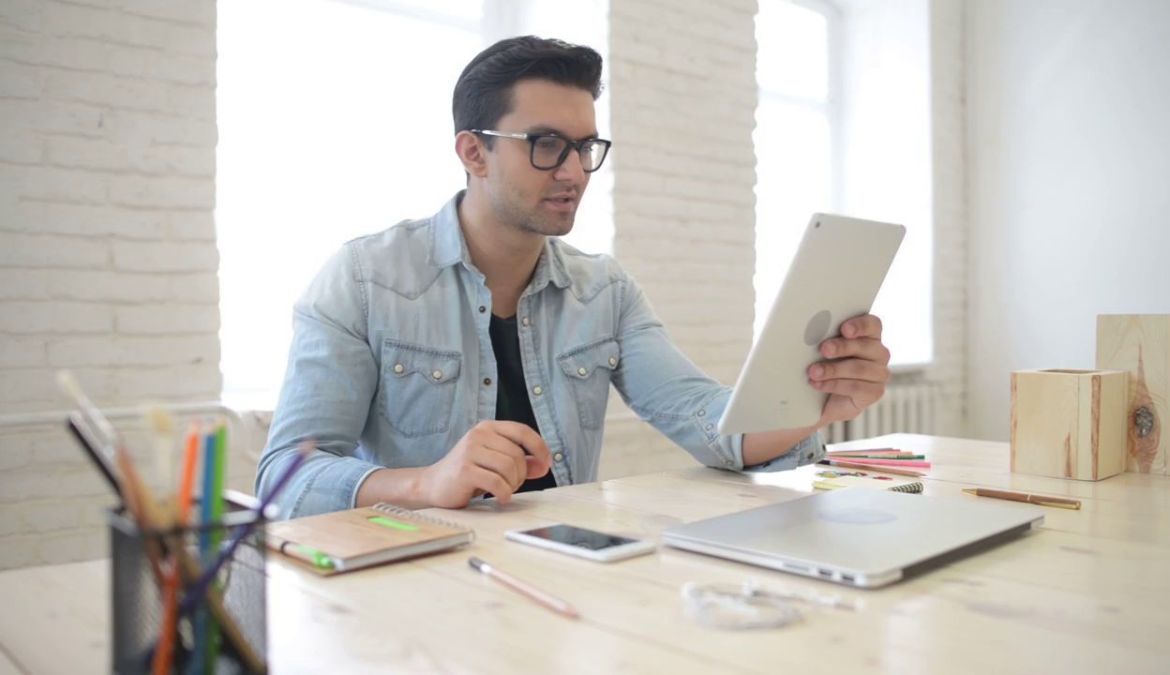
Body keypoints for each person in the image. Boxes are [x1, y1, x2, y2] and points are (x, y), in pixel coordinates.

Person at [256, 36, 892, 518]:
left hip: (560, 574)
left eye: (584, 147)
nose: (574, 172)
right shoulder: (364, 280)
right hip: (413, 588)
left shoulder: (605, 292)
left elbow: (708, 422)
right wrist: (426, 482)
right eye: (545, 144)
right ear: (474, 152)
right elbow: (285, 478)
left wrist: (815, 401)